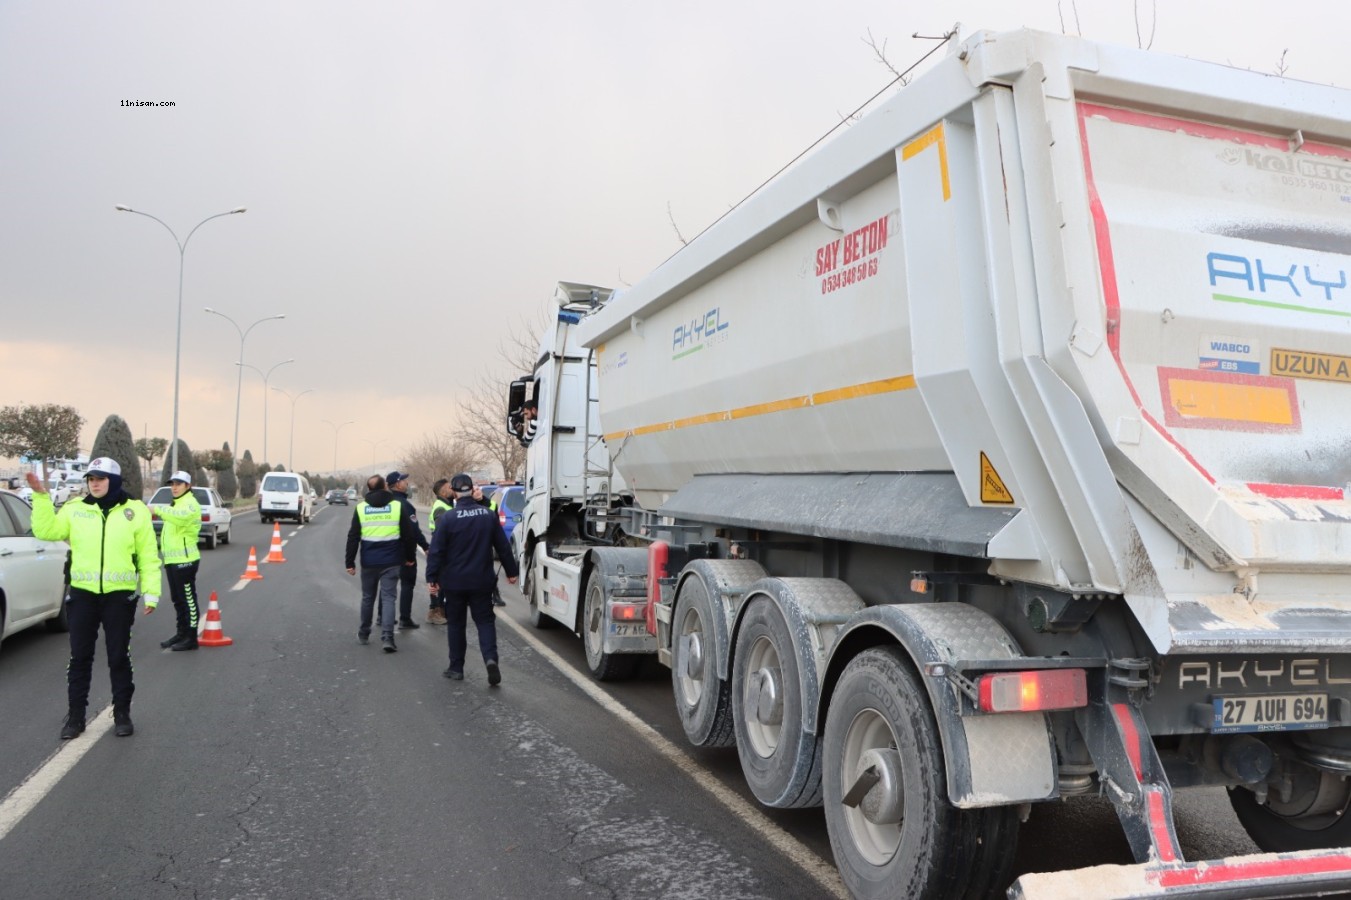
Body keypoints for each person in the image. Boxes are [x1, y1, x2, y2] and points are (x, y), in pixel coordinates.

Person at [27, 458, 161, 739]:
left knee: (118, 656)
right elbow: (46, 531)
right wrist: (41, 497)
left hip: (119, 597)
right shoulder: (75, 509)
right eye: (91, 479)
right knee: (80, 657)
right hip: (82, 596)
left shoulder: (134, 512)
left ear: (113, 480)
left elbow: (148, 555)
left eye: (100, 478)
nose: (95, 483)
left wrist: (152, 591)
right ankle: (76, 717)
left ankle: (122, 713)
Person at [426, 472, 518, 685]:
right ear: (471, 489)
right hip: (481, 581)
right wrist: (512, 572)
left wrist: (432, 579)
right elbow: (503, 547)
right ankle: (490, 659)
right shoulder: (487, 515)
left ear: (455, 493)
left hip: (454, 583)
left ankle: (456, 668)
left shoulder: (448, 518)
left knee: (456, 625)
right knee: (485, 622)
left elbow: (437, 551)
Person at [345, 474, 419, 652]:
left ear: (368, 489)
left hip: (369, 562)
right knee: (388, 599)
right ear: (385, 487)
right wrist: (410, 557)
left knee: (368, 598)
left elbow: (353, 537)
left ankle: (364, 633)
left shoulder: (361, 508)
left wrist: (350, 562)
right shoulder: (396, 506)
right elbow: (408, 535)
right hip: (392, 561)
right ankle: (387, 638)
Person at [152, 470, 202, 651]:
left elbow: (179, 519)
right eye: (172, 484)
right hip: (172, 560)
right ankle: (181, 633)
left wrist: (156, 509)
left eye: (178, 484)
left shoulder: (190, 504)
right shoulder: (176, 504)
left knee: (188, 599)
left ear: (188, 486)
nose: (174, 487)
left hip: (186, 561)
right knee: (177, 600)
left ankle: (191, 638)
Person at [385, 471, 428, 631]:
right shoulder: (404, 505)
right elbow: (413, 532)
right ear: (398, 484)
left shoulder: (386, 502)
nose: (407, 483)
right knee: (407, 584)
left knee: (387, 585)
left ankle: (383, 617)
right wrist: (425, 546)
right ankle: (405, 618)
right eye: (404, 481)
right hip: (403, 552)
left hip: (387, 551)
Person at [425, 478, 454, 625]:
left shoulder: (446, 505)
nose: (453, 488)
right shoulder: (441, 508)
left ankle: (441, 610)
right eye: (450, 486)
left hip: (443, 551)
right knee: (438, 582)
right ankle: (435, 611)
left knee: (442, 582)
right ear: (443, 491)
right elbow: (442, 533)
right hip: (443, 552)